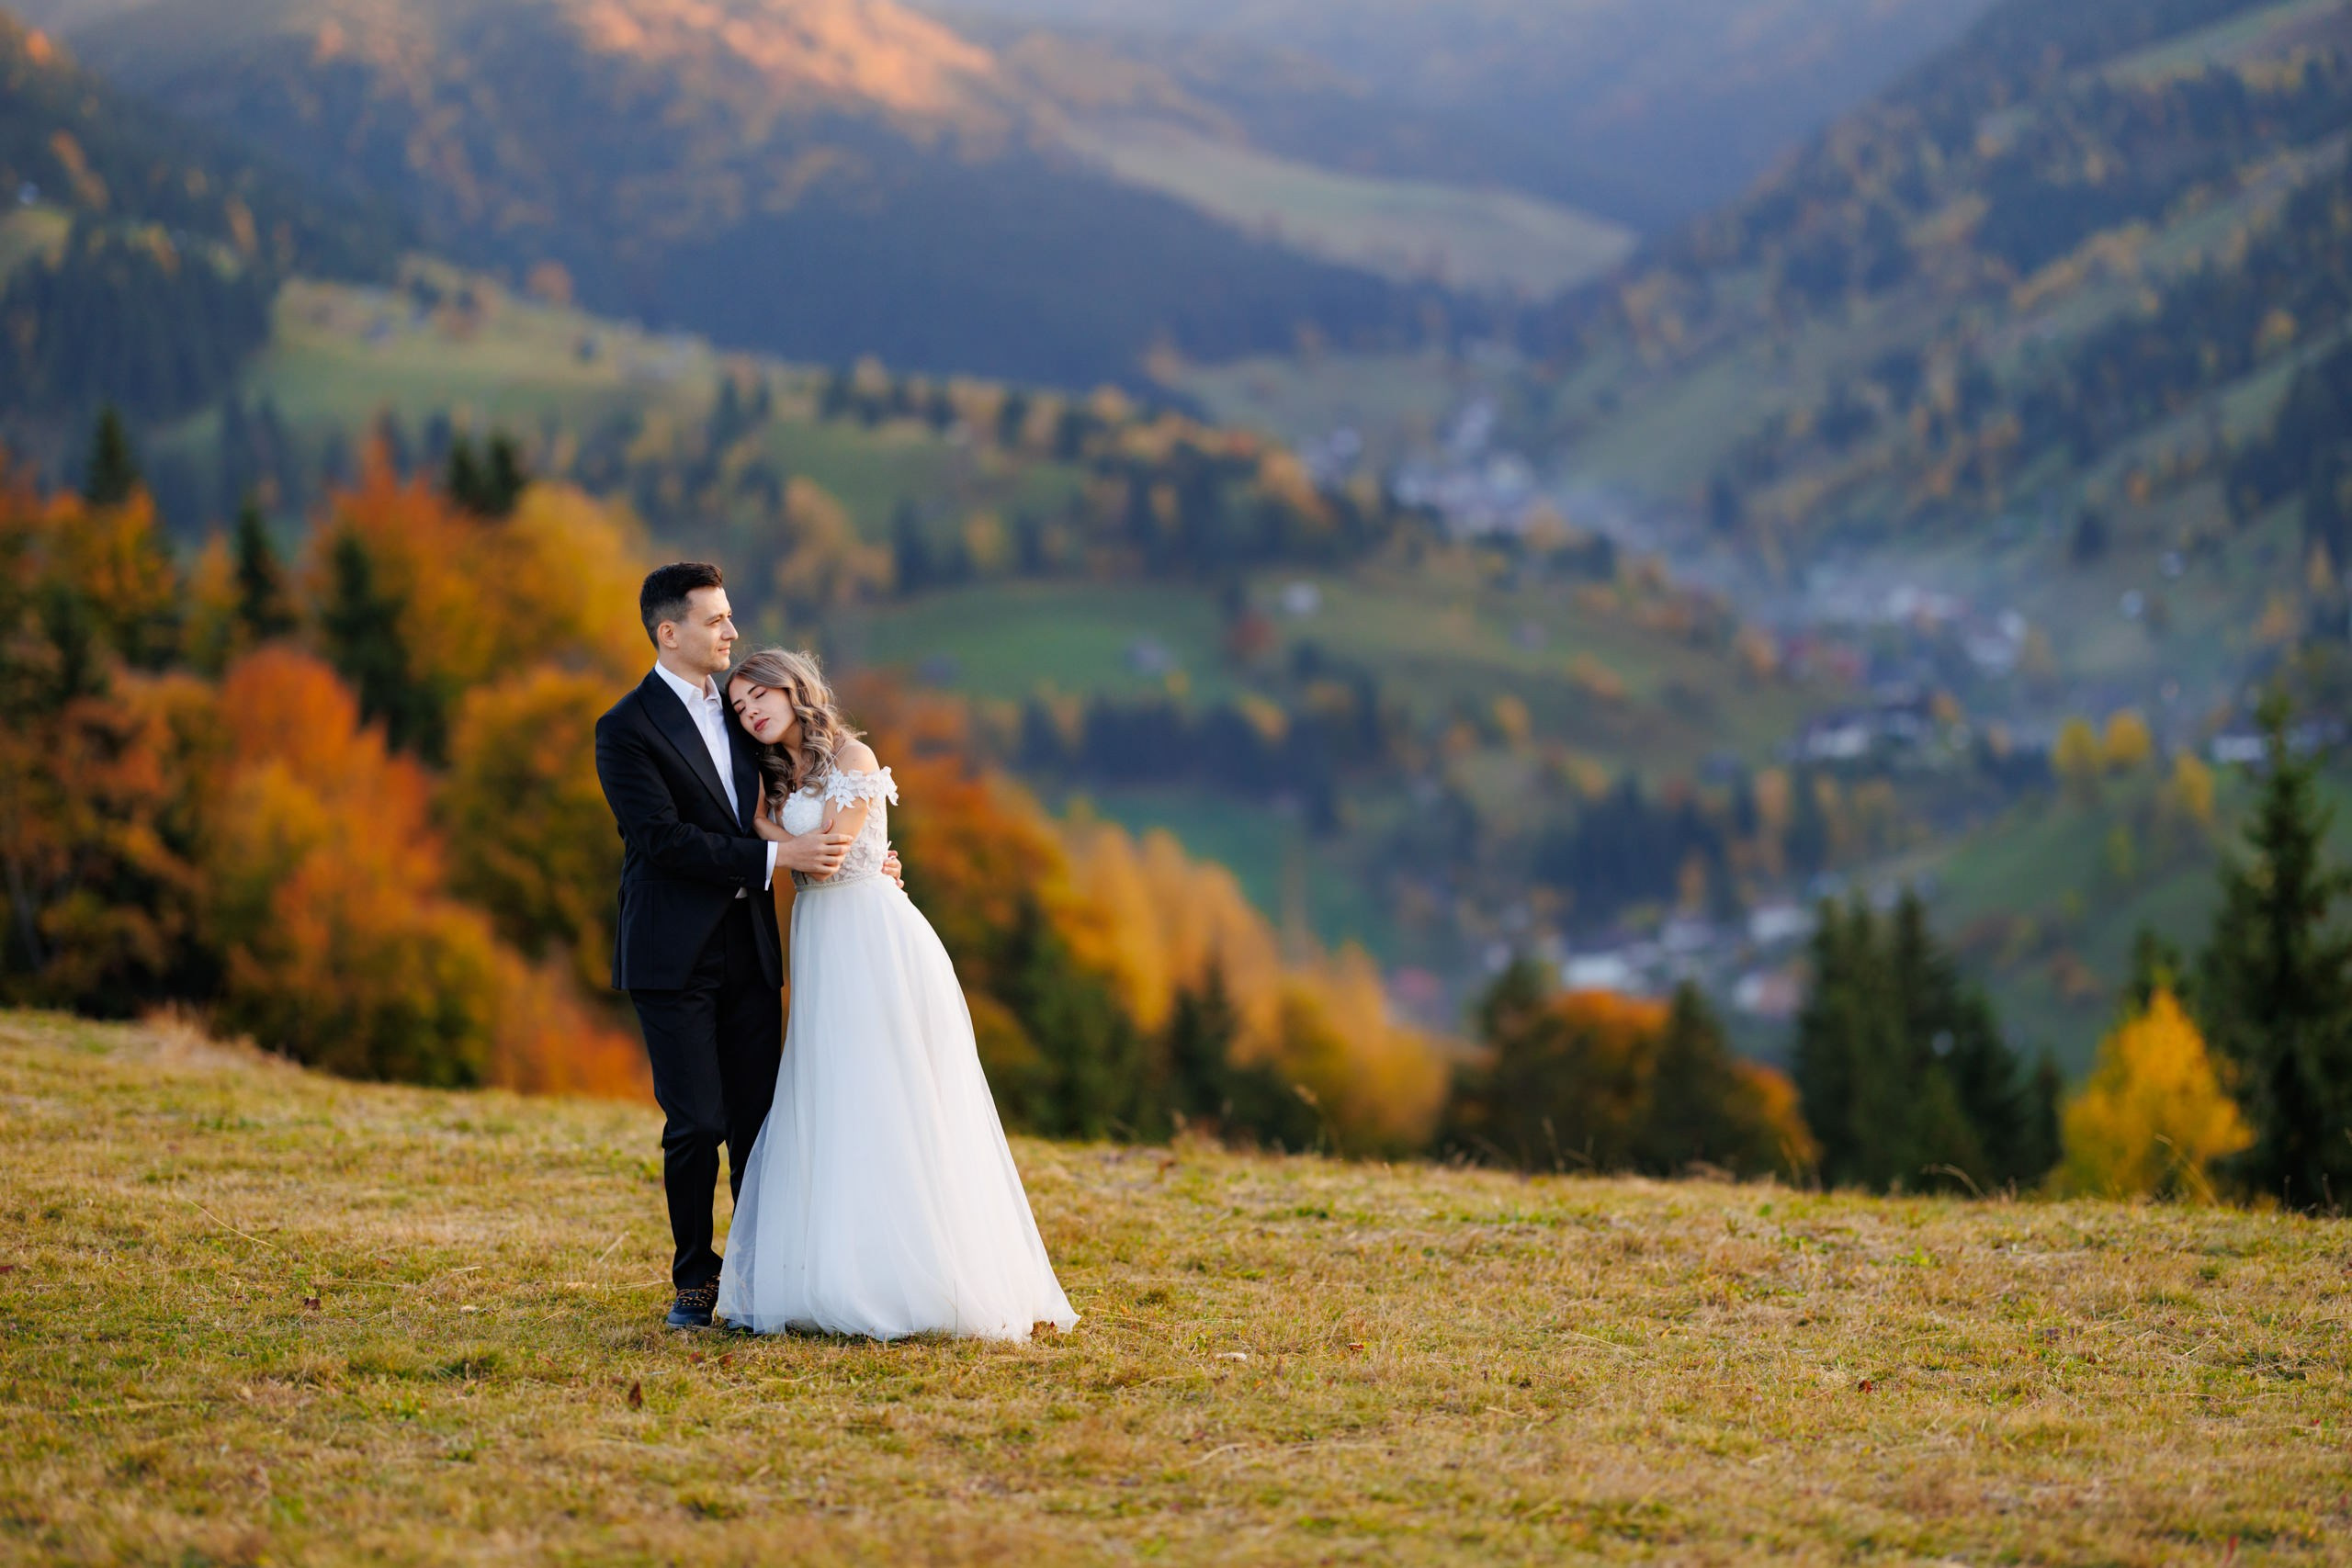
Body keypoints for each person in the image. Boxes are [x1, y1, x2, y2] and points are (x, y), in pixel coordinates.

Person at [714, 647, 1077, 1340]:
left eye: (760, 695)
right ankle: (835, 1267)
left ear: (795, 688)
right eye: (738, 706)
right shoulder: (778, 772)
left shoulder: (850, 758)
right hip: (823, 940)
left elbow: (824, 853)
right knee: (833, 1095)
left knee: (891, 1093)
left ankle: (915, 1277)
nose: (751, 710)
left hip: (873, 938)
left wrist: (760, 827)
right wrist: (771, 818)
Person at [593, 564, 900, 1330]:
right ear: (671, 632)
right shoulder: (624, 730)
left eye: (731, 617)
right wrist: (782, 860)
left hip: (753, 947)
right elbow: (661, 840)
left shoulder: (743, 715)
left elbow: (813, 787)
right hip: (673, 951)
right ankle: (696, 1280)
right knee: (696, 1119)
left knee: (763, 1121)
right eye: (717, 619)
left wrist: (870, 853)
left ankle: (767, 1278)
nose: (732, 632)